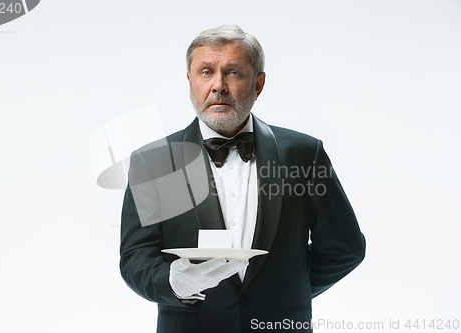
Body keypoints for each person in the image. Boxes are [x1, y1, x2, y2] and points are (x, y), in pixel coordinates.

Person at [120, 24, 365, 333]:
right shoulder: (157, 162)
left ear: (259, 83)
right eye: (206, 72)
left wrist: (285, 292)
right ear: (189, 81)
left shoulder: (303, 154)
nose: (218, 85)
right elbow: (135, 258)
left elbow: (345, 247)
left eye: (233, 73)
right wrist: (174, 282)